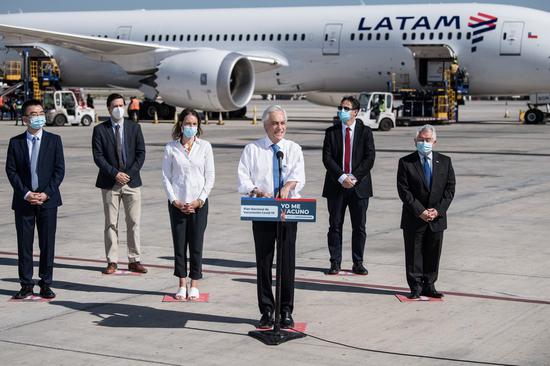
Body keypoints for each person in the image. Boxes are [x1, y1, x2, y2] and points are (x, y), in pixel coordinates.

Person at [237, 105, 305, 329]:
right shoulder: (252, 149)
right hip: (263, 210)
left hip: (288, 211)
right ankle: (267, 309)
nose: (280, 127)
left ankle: (285, 310)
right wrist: (256, 190)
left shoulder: (293, 148)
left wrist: (288, 185)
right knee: (264, 262)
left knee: (287, 262)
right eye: (275, 123)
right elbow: (243, 179)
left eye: (283, 123)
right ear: (266, 125)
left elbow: (298, 175)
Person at [5, 99, 65, 299]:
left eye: (40, 113)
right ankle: (26, 284)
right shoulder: (16, 143)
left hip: (48, 201)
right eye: (33, 114)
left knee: (47, 244)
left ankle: (46, 283)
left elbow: (59, 171)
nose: (38, 117)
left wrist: (46, 193)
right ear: (24, 119)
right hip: (24, 201)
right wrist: (27, 194)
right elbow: (11, 171)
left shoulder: (54, 140)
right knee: (25, 244)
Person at [397, 125, 455, 299]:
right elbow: (404, 191)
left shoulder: (445, 161)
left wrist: (437, 210)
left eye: (427, 140)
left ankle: (429, 285)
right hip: (414, 216)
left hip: (436, 217)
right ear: (415, 142)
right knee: (414, 254)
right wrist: (420, 211)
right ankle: (415, 286)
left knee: (433, 252)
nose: (424, 143)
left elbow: (450, 189)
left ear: (434, 142)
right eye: (421, 140)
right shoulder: (406, 162)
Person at [162, 108, 215, 300]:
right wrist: (175, 201)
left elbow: (210, 177)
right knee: (179, 245)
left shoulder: (205, 147)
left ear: (198, 126)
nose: (190, 127)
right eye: (187, 124)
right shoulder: (171, 148)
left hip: (198, 204)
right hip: (178, 204)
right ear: (180, 125)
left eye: (194, 124)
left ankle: (194, 283)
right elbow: (166, 177)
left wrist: (199, 200)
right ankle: (182, 283)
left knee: (196, 244)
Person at [92, 93, 147, 275]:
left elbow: (141, 154)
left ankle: (134, 259)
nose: (118, 108)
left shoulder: (134, 128)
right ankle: (112, 260)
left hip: (132, 182)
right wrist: (115, 174)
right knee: (111, 223)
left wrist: (127, 175)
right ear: (109, 109)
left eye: (121, 105)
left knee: (133, 222)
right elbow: (98, 157)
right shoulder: (100, 130)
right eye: (115, 106)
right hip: (110, 182)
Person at [322, 96, 376, 275]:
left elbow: (370, 158)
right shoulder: (331, 132)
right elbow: (327, 158)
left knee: (359, 227)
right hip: (336, 186)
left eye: (346, 108)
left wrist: (353, 177)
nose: (342, 111)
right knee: (335, 226)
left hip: (359, 187)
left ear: (355, 112)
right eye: (340, 108)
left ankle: (358, 262)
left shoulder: (366, 131)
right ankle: (335, 262)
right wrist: (341, 177)